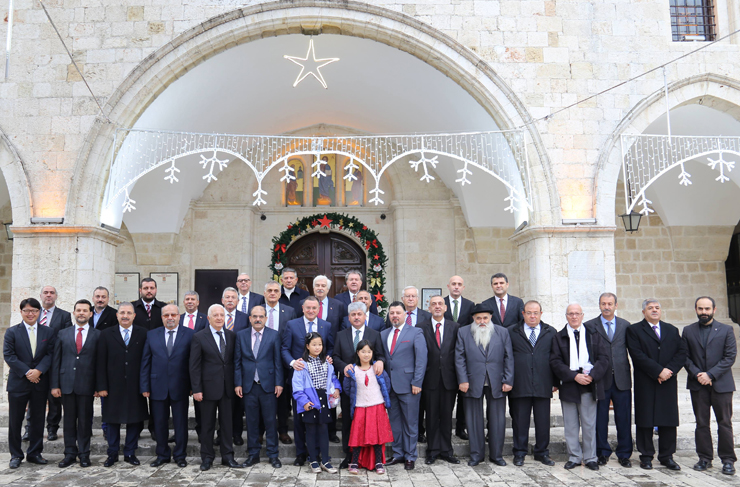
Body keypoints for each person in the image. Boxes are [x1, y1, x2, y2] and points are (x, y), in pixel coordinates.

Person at [626, 299, 687, 471]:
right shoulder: (634, 330)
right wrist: (658, 371)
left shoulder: (671, 330)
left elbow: (682, 352)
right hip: (646, 380)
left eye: (657, 308)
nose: (654, 310)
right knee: (645, 418)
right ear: (643, 312)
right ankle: (646, 456)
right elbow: (637, 355)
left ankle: (667, 456)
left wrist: (669, 371)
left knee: (668, 419)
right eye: (650, 308)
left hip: (668, 381)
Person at [550, 303, 609, 471]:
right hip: (569, 384)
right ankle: (574, 457)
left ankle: (590, 457)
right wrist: (574, 376)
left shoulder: (593, 334)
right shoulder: (559, 337)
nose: (574, 316)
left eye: (577, 313)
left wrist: (592, 376)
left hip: (589, 384)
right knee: (570, 425)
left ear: (582, 316)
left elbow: (604, 358)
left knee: (589, 424)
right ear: (566, 316)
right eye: (570, 314)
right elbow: (555, 361)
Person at [682, 296, 737, 475]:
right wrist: (699, 374)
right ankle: (704, 458)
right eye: (700, 309)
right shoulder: (688, 331)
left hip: (722, 385)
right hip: (698, 384)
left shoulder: (726, 330)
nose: (703, 312)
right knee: (701, 423)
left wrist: (710, 374)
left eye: (707, 309)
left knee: (725, 423)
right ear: (696, 310)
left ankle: (728, 460)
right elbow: (685, 357)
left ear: (714, 310)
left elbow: (730, 356)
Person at [455, 302, 514, 467]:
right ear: (474, 318)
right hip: (471, 381)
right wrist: (462, 380)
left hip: (497, 381)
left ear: (490, 318)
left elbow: (509, 357)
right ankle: (476, 455)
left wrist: (508, 380)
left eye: (485, 318)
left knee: (498, 420)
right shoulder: (463, 332)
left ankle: (496, 455)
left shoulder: (502, 332)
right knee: (473, 420)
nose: (482, 321)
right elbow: (459, 358)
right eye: (478, 318)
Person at [189, 304, 243, 471]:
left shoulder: (231, 335)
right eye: (216, 315)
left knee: (227, 425)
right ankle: (207, 458)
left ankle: (228, 457)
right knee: (207, 425)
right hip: (207, 389)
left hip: (227, 389)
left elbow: (234, 362)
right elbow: (194, 366)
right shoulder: (199, 337)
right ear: (209, 318)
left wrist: (237, 384)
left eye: (222, 315)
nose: (219, 318)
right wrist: (196, 389)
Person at [331, 301, 385, 469]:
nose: (356, 317)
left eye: (359, 314)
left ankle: (370, 457)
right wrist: (343, 366)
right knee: (348, 421)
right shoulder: (341, 335)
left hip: (370, 389)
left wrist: (380, 362)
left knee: (369, 423)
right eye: (353, 314)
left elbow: (381, 355)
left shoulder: (374, 334)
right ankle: (349, 457)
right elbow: (335, 356)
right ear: (348, 317)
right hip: (350, 387)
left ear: (364, 316)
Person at [282, 296, 334, 466]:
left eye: (314, 308)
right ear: (303, 308)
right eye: (308, 308)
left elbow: (330, 347)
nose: (311, 311)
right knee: (299, 419)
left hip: (320, 383)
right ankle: (301, 453)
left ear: (319, 309)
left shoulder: (326, 325)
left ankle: (317, 454)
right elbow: (285, 348)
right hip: (300, 381)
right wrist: (292, 363)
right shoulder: (292, 325)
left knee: (319, 420)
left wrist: (329, 357)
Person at [583, 292, 634, 468]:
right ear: (599, 305)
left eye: (610, 304)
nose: (607, 307)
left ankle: (624, 454)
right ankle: (602, 452)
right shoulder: (590, 326)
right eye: (603, 304)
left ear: (616, 305)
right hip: (600, 379)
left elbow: (632, 350)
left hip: (622, 378)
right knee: (600, 418)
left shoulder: (625, 325)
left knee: (624, 418)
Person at [140, 304, 194, 468]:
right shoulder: (152, 335)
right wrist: (145, 386)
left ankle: (180, 455)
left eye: (173, 315)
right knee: (159, 423)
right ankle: (162, 455)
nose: (170, 318)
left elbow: (193, 363)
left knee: (181, 423)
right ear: (162, 317)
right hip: (157, 386)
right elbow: (146, 362)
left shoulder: (190, 334)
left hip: (181, 386)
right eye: (166, 315)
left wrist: (193, 386)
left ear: (179, 316)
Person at [96, 302, 149, 467]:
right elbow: (100, 362)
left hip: (135, 385)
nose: (125, 316)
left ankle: (130, 452)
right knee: (112, 421)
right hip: (113, 386)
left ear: (134, 316)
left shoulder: (143, 333)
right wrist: (101, 386)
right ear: (117, 315)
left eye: (128, 313)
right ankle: (112, 453)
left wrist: (145, 386)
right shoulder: (106, 334)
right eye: (122, 313)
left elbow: (147, 361)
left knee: (135, 420)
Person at [4, 298, 54, 468]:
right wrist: (27, 372)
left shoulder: (48, 332)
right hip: (18, 383)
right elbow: (9, 355)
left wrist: (39, 370)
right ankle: (16, 455)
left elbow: (51, 354)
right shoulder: (12, 332)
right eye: (27, 310)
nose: (30, 314)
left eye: (34, 310)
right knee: (15, 420)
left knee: (38, 419)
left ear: (39, 312)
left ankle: (34, 453)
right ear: (21, 312)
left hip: (40, 382)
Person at [51, 299, 101, 468]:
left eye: (85, 310)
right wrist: (55, 385)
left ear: (90, 314)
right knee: (69, 421)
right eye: (78, 310)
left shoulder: (97, 334)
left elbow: (99, 363)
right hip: (66, 384)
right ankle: (69, 454)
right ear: (74, 313)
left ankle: (84, 454)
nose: (81, 313)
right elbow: (56, 360)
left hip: (87, 385)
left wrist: (99, 386)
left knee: (85, 422)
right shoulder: (63, 333)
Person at [508, 300, 557, 467]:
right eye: (529, 313)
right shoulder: (512, 331)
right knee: (520, 421)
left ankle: (542, 452)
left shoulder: (550, 332)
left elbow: (555, 358)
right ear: (523, 314)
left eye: (536, 313)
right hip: (519, 383)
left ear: (541, 314)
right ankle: (519, 452)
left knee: (543, 422)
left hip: (543, 383)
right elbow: (506, 357)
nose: (532, 316)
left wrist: (555, 382)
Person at [235, 306, 283, 469]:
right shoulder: (241, 335)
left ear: (265, 318)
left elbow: (278, 361)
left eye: (261, 316)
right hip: (248, 386)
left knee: (270, 422)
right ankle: (253, 455)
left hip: (268, 386)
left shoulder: (274, 335)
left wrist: (279, 383)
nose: (257, 319)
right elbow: (237, 361)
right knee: (251, 422)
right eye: (254, 316)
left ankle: (273, 455)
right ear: (250, 318)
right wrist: (238, 383)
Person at [381, 301, 427, 470]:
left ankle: (410, 455)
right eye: (392, 313)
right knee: (394, 422)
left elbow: (421, 359)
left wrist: (417, 382)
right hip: (390, 387)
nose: (395, 316)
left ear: (404, 314)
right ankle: (398, 453)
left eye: (398, 313)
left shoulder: (415, 332)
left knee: (410, 423)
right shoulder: (383, 334)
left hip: (409, 386)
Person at [419, 295, 460, 465]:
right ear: (429, 308)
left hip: (449, 380)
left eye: (440, 304)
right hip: (430, 379)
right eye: (433, 304)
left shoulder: (455, 327)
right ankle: (433, 451)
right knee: (431, 416)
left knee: (446, 416)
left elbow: (458, 353)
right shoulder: (421, 327)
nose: (437, 306)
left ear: (445, 308)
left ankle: (446, 451)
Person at [292, 332, 341, 474]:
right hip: (309, 399)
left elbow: (333, 378)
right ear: (307, 346)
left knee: (323, 429)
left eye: (320, 344)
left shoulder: (327, 362)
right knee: (311, 430)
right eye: (314, 344)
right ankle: (313, 460)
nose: (317, 347)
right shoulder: (301, 364)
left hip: (324, 398)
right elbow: (297, 387)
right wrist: (304, 401)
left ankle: (325, 460)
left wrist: (336, 388)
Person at [343, 340, 393, 475]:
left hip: (376, 406)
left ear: (373, 353)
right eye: (363, 351)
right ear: (357, 353)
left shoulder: (377, 369)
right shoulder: (353, 370)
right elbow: (347, 388)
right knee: (358, 434)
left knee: (377, 434)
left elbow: (386, 385)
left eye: (369, 352)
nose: (366, 354)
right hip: (360, 406)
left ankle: (378, 462)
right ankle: (354, 461)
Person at [31, 285, 72, 442]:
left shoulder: (64, 316)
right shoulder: (33, 314)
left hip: (55, 362)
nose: (49, 295)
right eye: (46, 293)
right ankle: (30, 428)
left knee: (54, 399)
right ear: (41, 295)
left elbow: (66, 338)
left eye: (52, 293)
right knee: (33, 398)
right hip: (35, 364)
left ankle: (52, 428)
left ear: (56, 296)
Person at [263, 280, 296, 444]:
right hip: (261, 362)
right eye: (269, 290)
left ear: (280, 293)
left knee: (282, 399)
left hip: (282, 363)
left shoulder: (289, 311)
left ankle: (283, 430)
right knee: (262, 398)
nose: (272, 293)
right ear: (264, 293)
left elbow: (293, 337)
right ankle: (261, 431)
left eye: (276, 291)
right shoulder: (257, 311)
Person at [444, 276, 473, 440]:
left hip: (465, 355)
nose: (456, 287)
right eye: (453, 284)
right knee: (447, 396)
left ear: (463, 287)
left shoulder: (470, 305)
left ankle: (461, 428)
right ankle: (445, 427)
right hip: (445, 355)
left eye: (459, 284)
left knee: (463, 395)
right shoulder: (441, 303)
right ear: (448, 286)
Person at [222, 286, 250, 445]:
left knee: (238, 403)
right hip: (220, 367)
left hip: (239, 366)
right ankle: (222, 433)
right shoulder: (216, 315)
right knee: (222, 403)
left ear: (238, 301)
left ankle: (237, 434)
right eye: (227, 297)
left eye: (233, 297)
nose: (230, 300)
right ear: (222, 300)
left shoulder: (245, 318)